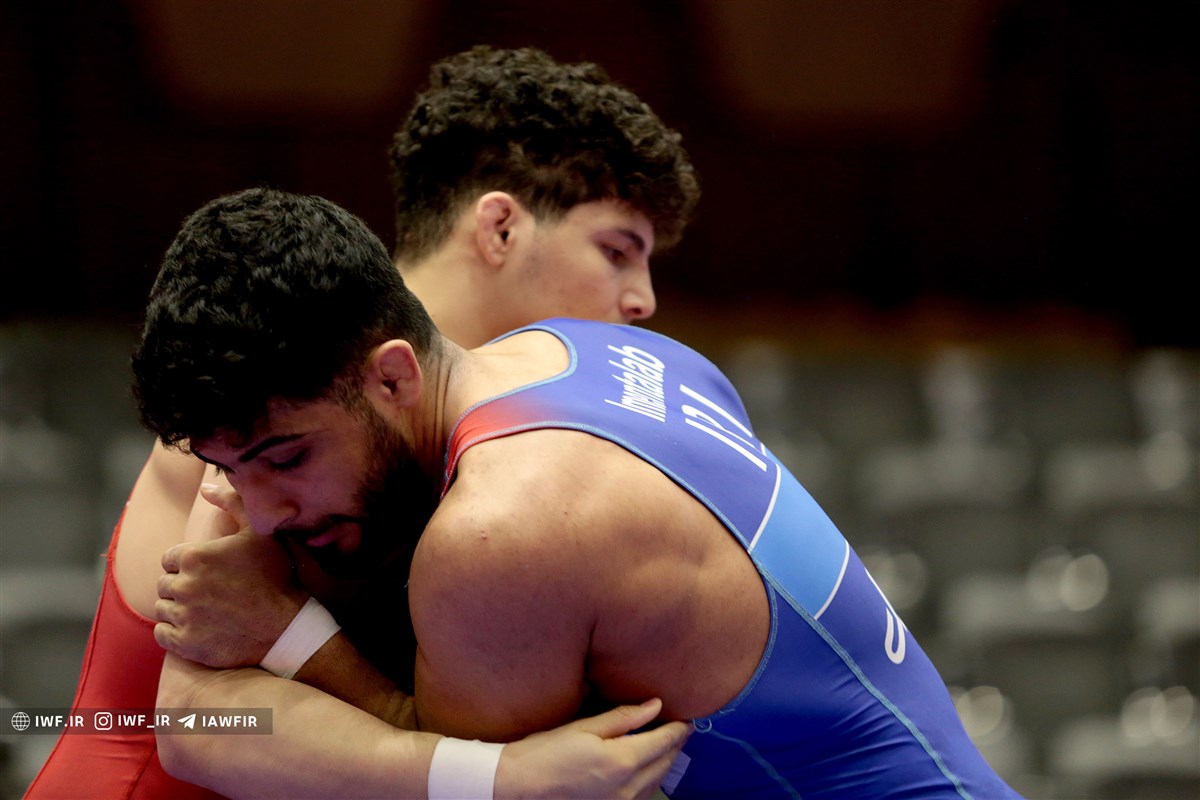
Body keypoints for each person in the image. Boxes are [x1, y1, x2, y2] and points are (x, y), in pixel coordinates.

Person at [135, 188, 1022, 799]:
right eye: (231, 470)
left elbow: (455, 777)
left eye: (286, 458)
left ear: (394, 377)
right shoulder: (590, 350)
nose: (263, 514)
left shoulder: (500, 530)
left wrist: (290, 634)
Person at [24, 45, 699, 800]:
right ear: (500, 229)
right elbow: (195, 724)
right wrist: (497, 776)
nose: (641, 300)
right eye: (616, 250)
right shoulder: (281, 374)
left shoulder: (507, 438)